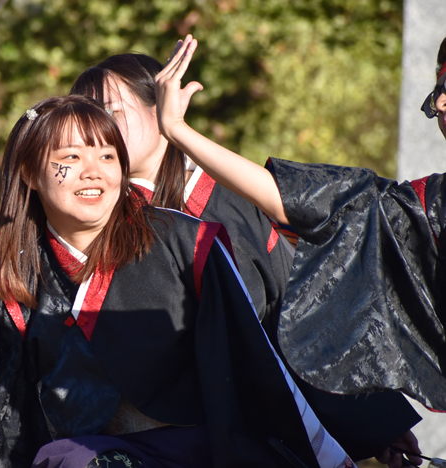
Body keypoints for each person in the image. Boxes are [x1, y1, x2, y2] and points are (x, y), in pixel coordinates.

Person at [0, 95, 357, 468]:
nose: (94, 170)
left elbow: (260, 361)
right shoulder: (24, 282)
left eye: (107, 154)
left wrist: (336, 455)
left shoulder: (186, 243)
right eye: (70, 155)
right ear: (31, 176)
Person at [69, 38, 422, 466]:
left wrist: (374, 421)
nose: (95, 130)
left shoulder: (224, 204)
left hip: (248, 429)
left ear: (161, 106)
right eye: (85, 118)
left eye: (110, 112)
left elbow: (298, 312)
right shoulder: (87, 217)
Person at [153, 33, 446, 430]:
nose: (441, 102)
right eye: (439, 89)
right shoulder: (429, 205)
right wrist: (176, 130)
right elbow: (306, 201)